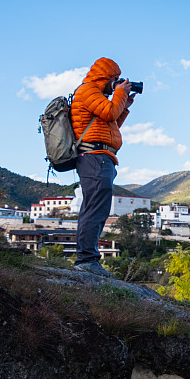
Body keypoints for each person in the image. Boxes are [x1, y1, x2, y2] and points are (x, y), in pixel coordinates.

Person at [71, 57, 136, 277]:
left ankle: (87, 260)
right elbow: (109, 113)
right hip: (94, 157)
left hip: (102, 157)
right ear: (106, 77)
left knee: (97, 208)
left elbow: (110, 124)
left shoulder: (97, 96)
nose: (117, 83)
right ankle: (87, 261)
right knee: (95, 209)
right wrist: (120, 93)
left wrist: (124, 107)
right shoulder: (88, 91)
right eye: (115, 79)